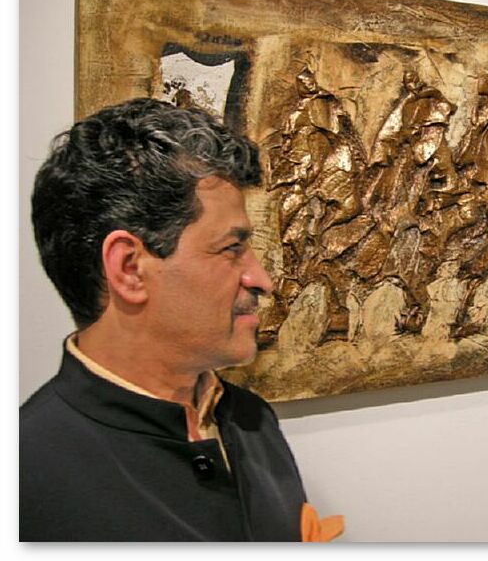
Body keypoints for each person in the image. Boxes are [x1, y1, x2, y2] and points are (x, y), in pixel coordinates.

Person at [20, 98, 343, 542]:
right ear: (129, 268)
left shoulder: (249, 419)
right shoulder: (26, 475)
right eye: (231, 249)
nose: (262, 280)